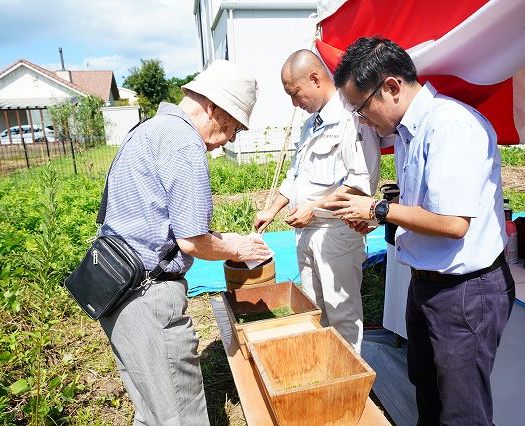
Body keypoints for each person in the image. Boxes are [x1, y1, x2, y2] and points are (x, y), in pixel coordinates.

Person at [328, 37, 516, 425]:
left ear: (392, 87)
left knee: (462, 412)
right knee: (428, 395)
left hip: (465, 290)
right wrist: (382, 216)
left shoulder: (451, 126)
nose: (364, 121)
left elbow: (452, 223)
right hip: (429, 284)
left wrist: (379, 208)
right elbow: (424, 210)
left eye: (363, 109)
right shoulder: (407, 133)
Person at [98, 60, 272, 425]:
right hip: (148, 297)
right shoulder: (185, 144)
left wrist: (223, 239)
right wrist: (238, 247)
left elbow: (167, 223)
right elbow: (192, 241)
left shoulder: (148, 130)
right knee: (180, 416)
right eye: (234, 126)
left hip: (113, 289)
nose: (232, 138)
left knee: (150, 412)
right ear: (213, 108)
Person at [254, 49, 380, 353]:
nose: (294, 104)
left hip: (336, 234)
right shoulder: (310, 124)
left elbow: (362, 182)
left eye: (295, 93)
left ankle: (349, 382)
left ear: (314, 78)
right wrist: (272, 208)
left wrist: (316, 207)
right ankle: (326, 373)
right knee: (314, 308)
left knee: (342, 313)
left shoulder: (352, 118)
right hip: (306, 233)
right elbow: (297, 175)